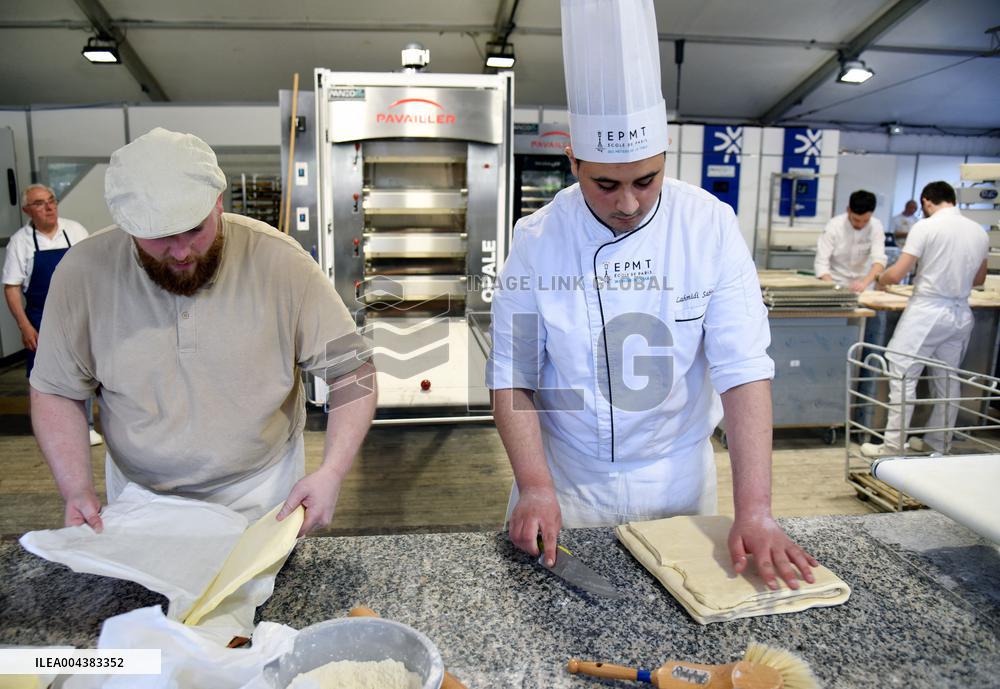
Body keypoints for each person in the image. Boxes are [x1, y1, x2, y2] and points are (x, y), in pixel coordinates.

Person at [487, 0, 816, 592]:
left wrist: (757, 508)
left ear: (666, 155)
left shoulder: (709, 227)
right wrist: (535, 486)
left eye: (647, 179)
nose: (629, 203)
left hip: (678, 479)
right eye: (605, 184)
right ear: (573, 161)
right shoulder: (537, 240)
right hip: (568, 480)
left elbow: (743, 371)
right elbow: (513, 375)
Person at [29, 128, 376, 535]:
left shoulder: (281, 263)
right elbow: (55, 389)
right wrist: (75, 488)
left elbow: (352, 371)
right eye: (158, 238)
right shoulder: (82, 273)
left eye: (195, 229)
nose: (181, 252)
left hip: (261, 493)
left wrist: (332, 471)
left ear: (218, 202)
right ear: (126, 224)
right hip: (139, 499)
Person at [861, 181, 989, 457]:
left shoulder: (926, 226)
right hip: (960, 313)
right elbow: (979, 279)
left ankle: (893, 447)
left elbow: (897, 274)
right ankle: (937, 444)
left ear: (927, 202)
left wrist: (881, 279)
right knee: (947, 378)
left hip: (928, 310)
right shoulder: (978, 231)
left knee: (902, 373)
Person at [2, 184, 103, 446]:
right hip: (40, 319)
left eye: (52, 201)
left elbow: (92, 274)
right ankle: (51, 429)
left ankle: (87, 426)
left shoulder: (76, 231)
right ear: (27, 210)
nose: (49, 208)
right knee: (43, 376)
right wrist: (25, 327)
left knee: (82, 371)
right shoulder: (20, 242)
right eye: (39, 203)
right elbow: (12, 287)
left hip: (78, 315)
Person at [814, 190, 887, 293]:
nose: (860, 225)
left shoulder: (876, 226)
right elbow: (821, 263)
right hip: (835, 282)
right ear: (848, 210)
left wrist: (864, 284)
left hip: (864, 284)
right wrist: (834, 288)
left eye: (865, 221)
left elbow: (879, 262)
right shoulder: (834, 226)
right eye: (856, 220)